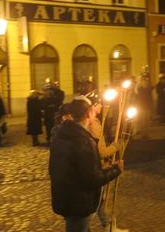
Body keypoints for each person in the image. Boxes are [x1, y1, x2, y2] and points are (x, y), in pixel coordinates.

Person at [49, 97, 123, 232]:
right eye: (93, 112)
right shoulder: (83, 142)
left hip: (65, 197)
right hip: (78, 202)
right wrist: (115, 169)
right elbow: (92, 179)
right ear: (89, 114)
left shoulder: (59, 135)